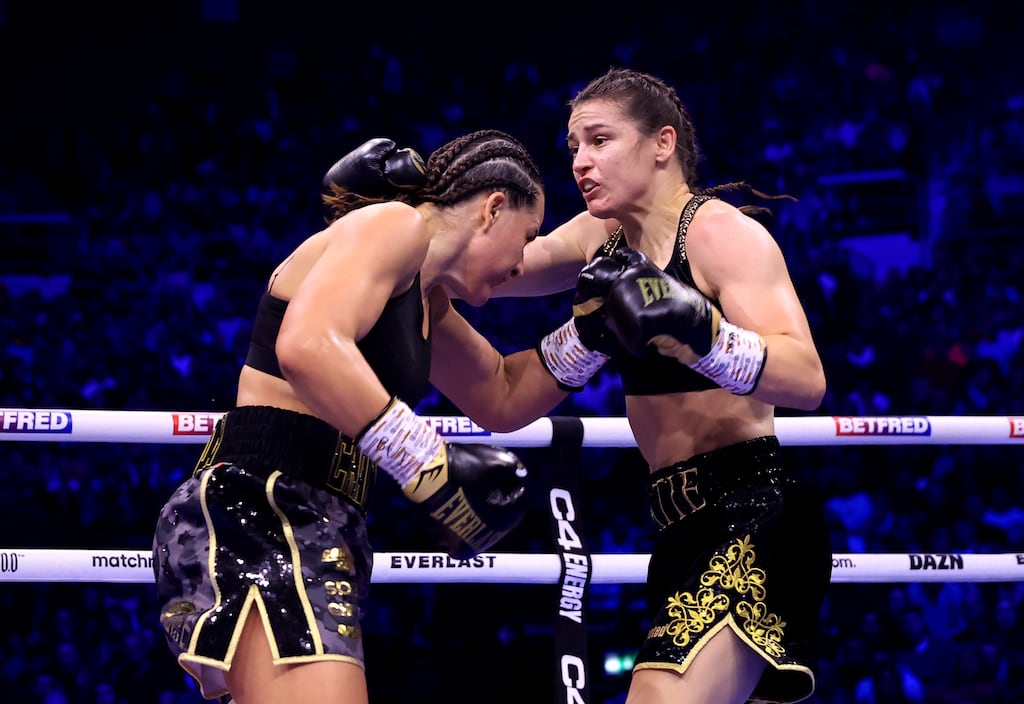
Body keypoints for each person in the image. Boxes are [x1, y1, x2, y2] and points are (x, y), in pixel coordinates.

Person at [152, 130, 588, 704]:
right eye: (527, 237)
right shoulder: (393, 226)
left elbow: (501, 396)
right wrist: (426, 462)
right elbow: (306, 345)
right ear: (493, 208)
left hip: (324, 515)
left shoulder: (425, 298)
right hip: (262, 503)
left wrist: (594, 333)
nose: (519, 265)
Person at [496, 67, 834, 703]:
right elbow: (497, 269)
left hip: (750, 513)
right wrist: (415, 222)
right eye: (573, 146)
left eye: (599, 140)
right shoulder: (601, 237)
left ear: (662, 143)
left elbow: (806, 377)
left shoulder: (718, 234)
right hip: (675, 525)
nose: (580, 162)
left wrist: (698, 329)